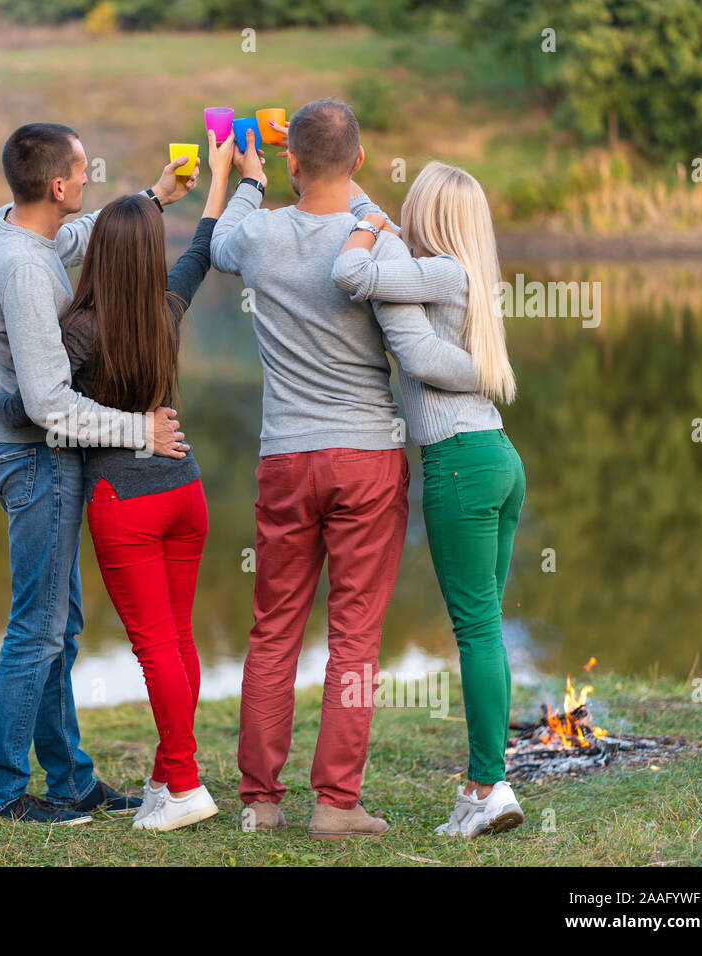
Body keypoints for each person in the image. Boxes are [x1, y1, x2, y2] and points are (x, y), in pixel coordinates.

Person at [210, 99, 482, 840]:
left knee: (273, 632)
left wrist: (246, 175)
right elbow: (414, 352)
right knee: (355, 635)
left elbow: (221, 241)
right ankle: (336, 803)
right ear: (360, 162)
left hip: (286, 457)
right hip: (365, 455)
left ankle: (259, 803)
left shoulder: (259, 235)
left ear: (290, 162)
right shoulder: (380, 245)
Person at [0, 128, 241, 832]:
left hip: (123, 499)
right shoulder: (169, 308)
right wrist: (232, 180)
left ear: (94, 253)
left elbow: (39, 403)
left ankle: (180, 782)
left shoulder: (77, 329)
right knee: (179, 639)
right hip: (184, 487)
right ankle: (166, 773)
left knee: (144, 643)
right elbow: (201, 252)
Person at [332, 160, 525, 837]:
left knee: (474, 628)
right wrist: (343, 181)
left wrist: (363, 225)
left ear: (429, 215)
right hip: (498, 457)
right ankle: (487, 781)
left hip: (461, 464)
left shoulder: (439, 273)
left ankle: (486, 786)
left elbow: (352, 275)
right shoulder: (466, 274)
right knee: (487, 626)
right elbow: (375, 222)